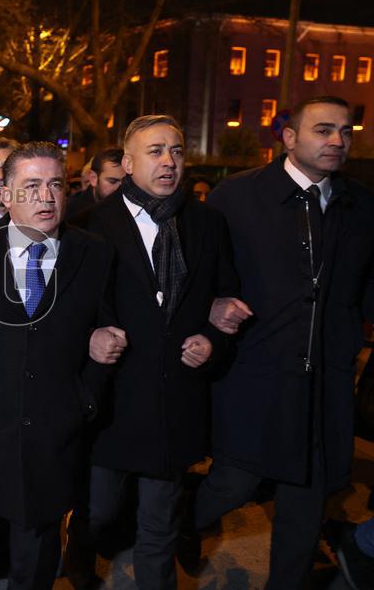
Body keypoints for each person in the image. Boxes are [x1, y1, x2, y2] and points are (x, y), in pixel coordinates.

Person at [193, 96, 374, 589]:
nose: (337, 141)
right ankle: (172, 527)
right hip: (254, 374)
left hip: (326, 380)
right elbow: (201, 273)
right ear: (290, 137)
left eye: (345, 131)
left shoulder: (362, 204)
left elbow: (371, 283)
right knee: (235, 482)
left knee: (307, 500)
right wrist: (211, 306)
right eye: (323, 130)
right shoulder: (237, 196)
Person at [0, 142, 119, 589]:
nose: (46, 197)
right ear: (5, 194)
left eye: (55, 184)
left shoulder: (95, 253)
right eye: (32, 185)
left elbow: (108, 328)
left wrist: (84, 398)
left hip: (53, 437)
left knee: (34, 560)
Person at [71, 115, 238, 589]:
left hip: (175, 398)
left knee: (160, 523)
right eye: (155, 151)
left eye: (176, 151)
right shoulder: (89, 226)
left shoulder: (207, 223)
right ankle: (79, 553)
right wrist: (90, 339)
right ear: (127, 163)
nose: (169, 161)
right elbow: (70, 315)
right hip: (114, 401)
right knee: (100, 510)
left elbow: (226, 299)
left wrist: (212, 339)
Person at [65, 147, 126, 220]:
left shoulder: (130, 208)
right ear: (93, 178)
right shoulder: (70, 214)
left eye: (125, 182)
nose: (119, 189)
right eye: (112, 181)